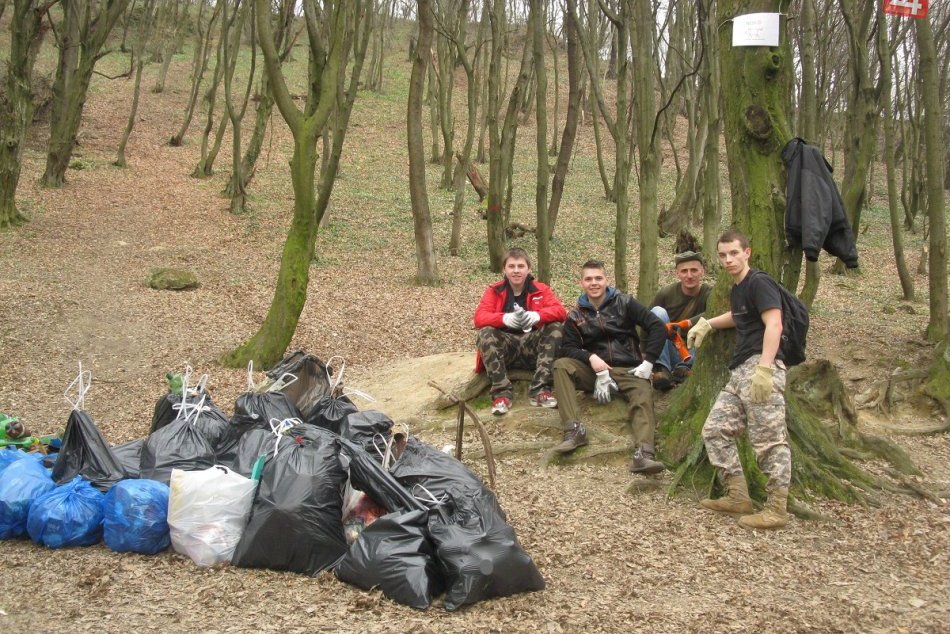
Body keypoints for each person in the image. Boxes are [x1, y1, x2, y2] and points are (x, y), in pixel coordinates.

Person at [687, 228, 792, 530]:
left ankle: (776, 509)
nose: (728, 259)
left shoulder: (760, 282)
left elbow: (774, 323)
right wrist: (708, 323)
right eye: (723, 255)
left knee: (769, 440)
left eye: (734, 253)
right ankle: (738, 496)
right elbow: (740, 315)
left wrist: (766, 368)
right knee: (715, 429)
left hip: (761, 368)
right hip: (739, 373)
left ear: (747, 252)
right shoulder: (739, 287)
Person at [550, 260, 667, 474]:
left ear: (606, 280)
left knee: (642, 396)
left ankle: (644, 454)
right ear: (581, 283)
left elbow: (657, 326)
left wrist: (649, 362)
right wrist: (591, 358)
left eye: (598, 278)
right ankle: (574, 431)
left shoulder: (625, 302)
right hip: (595, 372)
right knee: (561, 366)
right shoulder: (576, 315)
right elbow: (567, 348)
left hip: (629, 369)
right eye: (589, 279)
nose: (594, 283)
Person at [474, 248, 567, 415]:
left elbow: (561, 312)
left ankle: (540, 390)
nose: (516, 270)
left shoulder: (541, 289)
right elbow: (479, 318)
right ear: (504, 269)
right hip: (506, 348)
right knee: (485, 332)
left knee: (556, 328)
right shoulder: (494, 291)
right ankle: (501, 394)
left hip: (534, 348)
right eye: (511, 266)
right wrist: (504, 319)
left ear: (528, 269)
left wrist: (538, 316)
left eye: (520, 266)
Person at [650, 250, 711, 389]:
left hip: (693, 351)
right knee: (658, 312)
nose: (689, 275)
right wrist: (643, 351)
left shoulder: (709, 293)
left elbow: (714, 315)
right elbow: (648, 320)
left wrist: (684, 324)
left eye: (694, 270)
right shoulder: (666, 293)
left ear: (702, 271)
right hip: (669, 348)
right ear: (677, 273)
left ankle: (682, 370)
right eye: (684, 271)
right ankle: (662, 369)